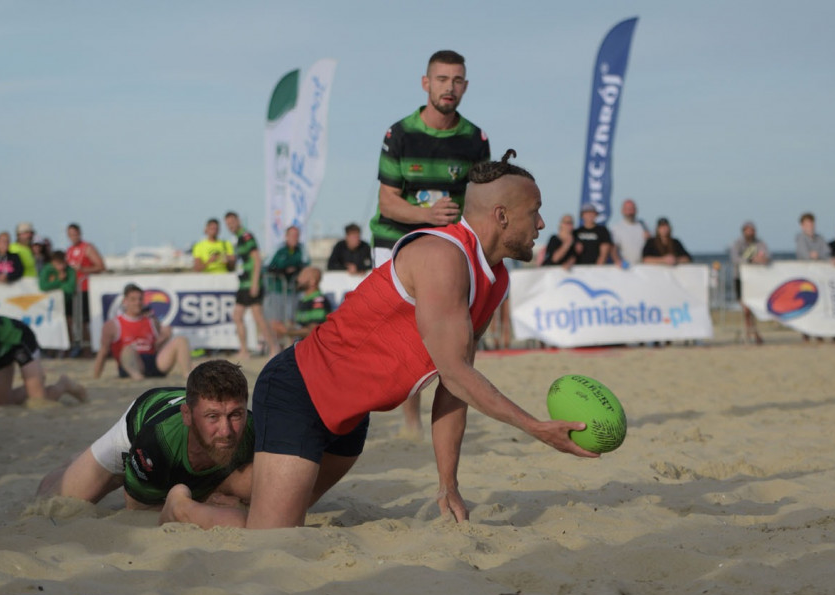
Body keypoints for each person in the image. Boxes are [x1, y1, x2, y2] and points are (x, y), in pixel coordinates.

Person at [159, 151, 599, 530]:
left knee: (259, 499)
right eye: (535, 210)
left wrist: (448, 483)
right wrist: (535, 427)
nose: (541, 222)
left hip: (351, 418)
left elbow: (453, 386)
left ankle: (210, 489)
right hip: (301, 390)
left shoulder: (495, 277)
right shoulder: (442, 257)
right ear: (501, 215)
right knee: (274, 533)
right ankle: (180, 506)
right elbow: (457, 374)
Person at [367, 49, 490, 438]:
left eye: (456, 80)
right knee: (403, 332)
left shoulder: (475, 138)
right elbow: (387, 201)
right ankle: (409, 417)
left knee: (454, 334)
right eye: (441, 79)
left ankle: (445, 419)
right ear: (426, 83)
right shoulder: (399, 133)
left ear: (465, 86)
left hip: (446, 245)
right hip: (394, 240)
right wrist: (427, 216)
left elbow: (479, 201)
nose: (448, 87)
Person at [36, 359, 254, 510]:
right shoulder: (156, 441)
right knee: (52, 502)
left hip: (173, 429)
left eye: (235, 415)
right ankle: (80, 459)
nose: (226, 431)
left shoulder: (254, 429)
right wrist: (204, 505)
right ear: (187, 416)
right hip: (139, 424)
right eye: (213, 417)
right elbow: (136, 507)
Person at [0, 301, 87, 408]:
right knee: (2, 402)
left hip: (17, 338)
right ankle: (36, 383)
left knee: (39, 401)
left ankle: (63, 384)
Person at [93, 283, 192, 380]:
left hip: (153, 362)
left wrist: (165, 336)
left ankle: (188, 374)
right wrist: (96, 376)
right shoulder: (113, 324)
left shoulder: (151, 321)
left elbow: (157, 346)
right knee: (128, 349)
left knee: (181, 340)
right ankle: (137, 376)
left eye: (140, 299)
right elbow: (103, 351)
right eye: (133, 299)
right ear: (125, 301)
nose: (137, 302)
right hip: (130, 363)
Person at [224, 211, 279, 361]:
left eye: (232, 222)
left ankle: (274, 347)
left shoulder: (247, 236)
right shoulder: (237, 240)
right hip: (243, 283)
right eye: (228, 224)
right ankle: (244, 350)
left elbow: (257, 259)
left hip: (252, 283)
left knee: (258, 316)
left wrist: (255, 283)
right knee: (238, 315)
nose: (230, 226)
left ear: (238, 220)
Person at [64, 223, 106, 352]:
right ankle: (76, 346)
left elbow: (101, 266)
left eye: (75, 234)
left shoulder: (87, 248)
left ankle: (88, 348)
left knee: (85, 321)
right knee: (71, 319)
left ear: (79, 234)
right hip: (73, 289)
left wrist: (83, 269)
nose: (73, 237)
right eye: (70, 234)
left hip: (86, 288)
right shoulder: (69, 250)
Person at [729, 221, 770, 344]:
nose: (750, 233)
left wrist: (763, 259)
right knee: (746, 309)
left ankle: (752, 333)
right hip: (740, 279)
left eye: (752, 230)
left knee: (751, 308)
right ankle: (752, 333)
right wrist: (751, 260)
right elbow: (735, 258)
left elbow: (767, 255)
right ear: (743, 232)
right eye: (748, 230)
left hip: (755, 280)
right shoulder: (737, 244)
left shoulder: (759, 243)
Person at [270, 267, 333, 344]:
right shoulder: (304, 300)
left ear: (312, 282)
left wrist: (286, 331)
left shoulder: (318, 301)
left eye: (303, 276)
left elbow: (313, 331)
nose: (298, 279)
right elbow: (301, 327)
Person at [266, 225, 309, 293]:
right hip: (278, 291)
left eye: (296, 235)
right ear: (286, 236)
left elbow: (307, 267)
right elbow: (267, 267)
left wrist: (296, 270)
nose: (295, 238)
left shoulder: (302, 250)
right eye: (292, 235)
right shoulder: (278, 250)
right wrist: (281, 271)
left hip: (295, 291)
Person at [38, 250, 77, 321]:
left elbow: (70, 288)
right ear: (53, 262)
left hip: (66, 302)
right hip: (50, 304)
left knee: (69, 323)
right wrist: (59, 281)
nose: (62, 267)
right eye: (59, 264)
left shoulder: (70, 270)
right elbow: (43, 286)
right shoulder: (47, 269)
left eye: (63, 263)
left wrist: (54, 283)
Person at [609, 198, 650, 265]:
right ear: (622, 211)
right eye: (627, 209)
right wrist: (618, 261)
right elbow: (613, 249)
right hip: (626, 268)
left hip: (643, 267)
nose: (630, 212)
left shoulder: (644, 226)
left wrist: (649, 238)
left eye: (632, 209)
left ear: (636, 210)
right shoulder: (616, 229)